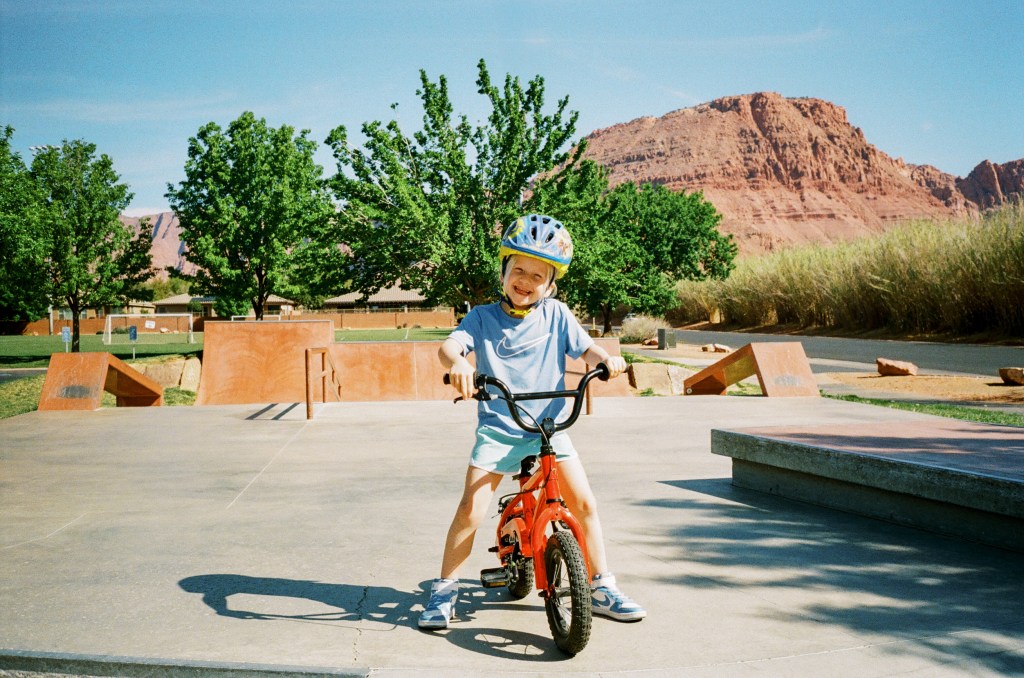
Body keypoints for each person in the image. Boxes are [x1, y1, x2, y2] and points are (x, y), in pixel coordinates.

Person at [418, 213, 646, 630]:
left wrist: (606, 360)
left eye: (537, 276)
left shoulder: (557, 315)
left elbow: (587, 349)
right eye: (518, 270)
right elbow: (449, 347)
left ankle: (601, 586)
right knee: (471, 509)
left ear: (550, 285)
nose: (525, 280)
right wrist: (459, 364)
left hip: (548, 427)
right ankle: (444, 590)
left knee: (584, 504)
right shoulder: (482, 317)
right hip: (499, 428)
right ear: (503, 272)